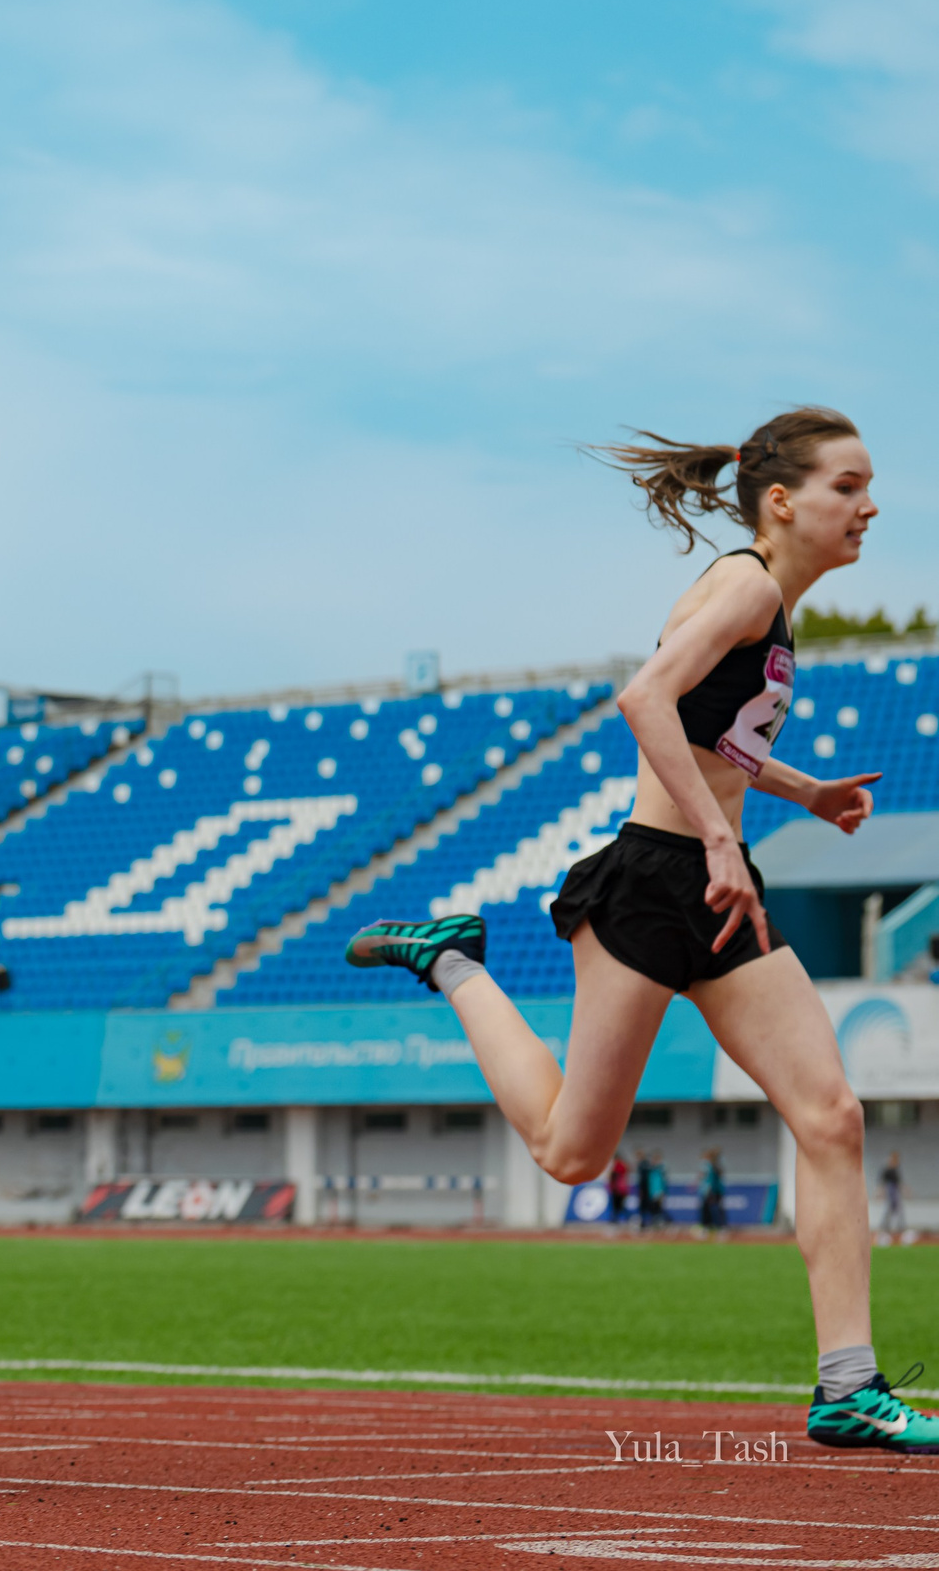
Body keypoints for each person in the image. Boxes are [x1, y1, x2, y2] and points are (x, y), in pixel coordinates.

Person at [342, 408, 938, 1453]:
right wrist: (714, 837)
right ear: (783, 501)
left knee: (831, 1115)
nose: (870, 506)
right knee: (573, 1152)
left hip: (719, 885)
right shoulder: (747, 582)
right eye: (849, 487)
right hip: (655, 881)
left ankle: (847, 1384)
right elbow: (645, 696)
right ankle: (452, 965)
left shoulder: (774, 609)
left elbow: (713, 734)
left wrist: (800, 792)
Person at [699, 1147, 729, 1234]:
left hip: (713, 1191)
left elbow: (711, 1179)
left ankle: (719, 1227)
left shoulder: (714, 1166)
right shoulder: (709, 1165)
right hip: (709, 1191)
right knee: (707, 1210)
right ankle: (709, 1227)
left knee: (715, 1209)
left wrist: (709, 1191)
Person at [638, 1149, 667, 1231]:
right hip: (652, 1192)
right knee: (653, 1208)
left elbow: (663, 1182)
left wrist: (662, 1192)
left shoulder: (661, 1170)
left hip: (658, 1192)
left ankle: (661, 1223)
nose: (653, 1161)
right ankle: (656, 1223)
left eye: (655, 1159)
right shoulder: (651, 1170)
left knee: (657, 1208)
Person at [880, 1152, 907, 1241]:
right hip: (890, 1191)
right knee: (888, 1209)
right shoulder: (887, 1170)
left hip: (895, 1191)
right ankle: (884, 1228)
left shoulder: (896, 1170)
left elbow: (899, 1183)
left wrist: (904, 1190)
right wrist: (881, 1192)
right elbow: (883, 1182)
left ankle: (900, 1228)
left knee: (899, 1209)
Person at [607, 1151, 632, 1228]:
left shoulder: (618, 1166)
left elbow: (613, 1177)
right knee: (618, 1206)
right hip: (619, 1189)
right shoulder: (620, 1166)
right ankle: (618, 1219)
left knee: (619, 1205)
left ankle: (621, 1219)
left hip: (619, 1189)